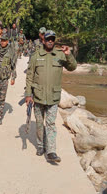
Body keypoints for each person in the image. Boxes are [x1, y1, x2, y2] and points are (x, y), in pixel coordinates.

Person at [25, 30, 77, 163]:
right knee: (39, 123)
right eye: (48, 39)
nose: (50, 41)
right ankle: (41, 145)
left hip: (53, 97)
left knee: (51, 123)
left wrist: (69, 55)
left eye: (52, 39)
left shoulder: (60, 55)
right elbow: (30, 76)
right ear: (43, 40)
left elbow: (72, 67)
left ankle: (51, 151)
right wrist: (28, 94)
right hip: (38, 96)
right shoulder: (36, 55)